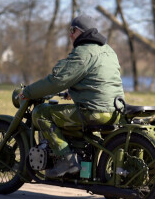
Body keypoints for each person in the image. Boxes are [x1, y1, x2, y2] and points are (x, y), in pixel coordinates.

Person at [18, 14, 125, 178]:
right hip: (116, 109)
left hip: (94, 112)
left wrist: (28, 92)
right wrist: (72, 92)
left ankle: (67, 159)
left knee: (41, 112)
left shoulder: (83, 52)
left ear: (80, 32)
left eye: (72, 30)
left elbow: (56, 81)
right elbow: (97, 79)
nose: (70, 35)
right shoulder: (108, 50)